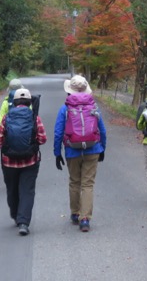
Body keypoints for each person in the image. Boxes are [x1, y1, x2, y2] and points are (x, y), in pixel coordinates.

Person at [53, 75, 106, 232]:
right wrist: (103, 148)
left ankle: (75, 214)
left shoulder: (65, 108)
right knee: (88, 184)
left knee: (74, 182)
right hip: (93, 148)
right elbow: (102, 129)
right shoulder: (93, 106)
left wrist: (57, 153)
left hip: (72, 149)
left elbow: (58, 132)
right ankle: (85, 219)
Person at [0, 88, 47, 236]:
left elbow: (0, 141)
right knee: (27, 190)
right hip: (30, 161)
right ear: (29, 102)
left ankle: (15, 214)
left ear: (15, 102)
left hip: (8, 162)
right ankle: (24, 222)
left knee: (12, 189)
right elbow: (43, 139)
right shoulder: (34, 118)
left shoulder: (7, 117)